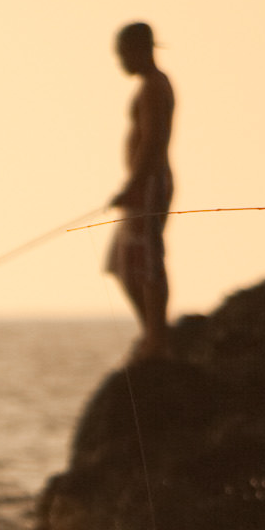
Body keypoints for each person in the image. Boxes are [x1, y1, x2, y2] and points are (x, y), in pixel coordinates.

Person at [104, 21, 175, 359]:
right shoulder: (149, 86)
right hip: (142, 185)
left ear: (140, 49)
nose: (121, 62)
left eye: (123, 54)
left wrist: (133, 186)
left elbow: (153, 142)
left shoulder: (154, 88)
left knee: (147, 262)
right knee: (121, 264)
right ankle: (151, 333)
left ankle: (158, 339)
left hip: (150, 184)